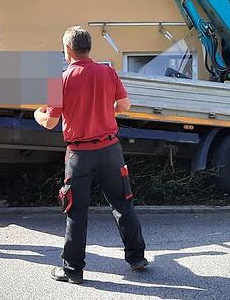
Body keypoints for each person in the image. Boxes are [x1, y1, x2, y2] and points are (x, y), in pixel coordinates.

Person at [34, 26, 148, 285]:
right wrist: (106, 110)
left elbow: (50, 122)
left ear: (68, 50)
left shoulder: (59, 79)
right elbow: (125, 105)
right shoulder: (108, 72)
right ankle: (136, 257)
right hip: (110, 150)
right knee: (123, 203)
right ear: (88, 48)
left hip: (79, 154)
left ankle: (73, 270)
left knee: (76, 211)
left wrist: (37, 114)